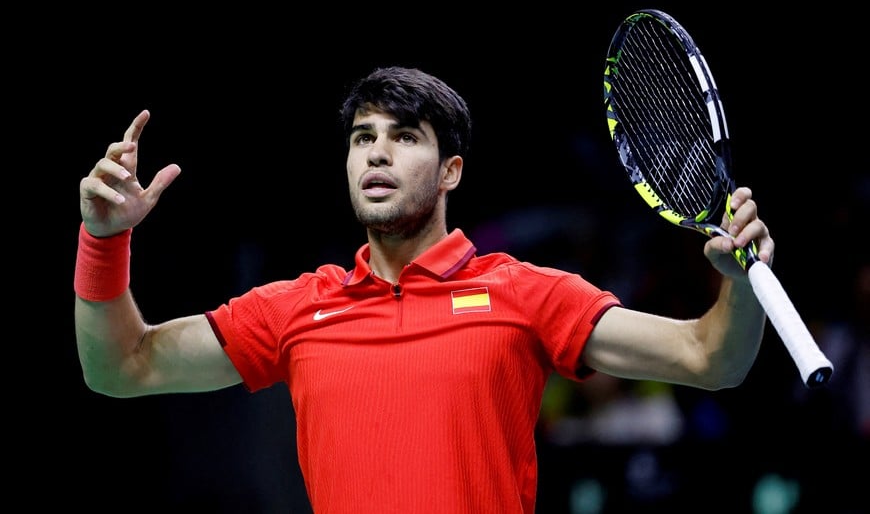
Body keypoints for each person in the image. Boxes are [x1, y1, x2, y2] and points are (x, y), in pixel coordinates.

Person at [74, 66, 772, 513]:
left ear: (451, 172)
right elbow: (121, 369)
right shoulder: (296, 309)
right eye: (361, 137)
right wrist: (104, 241)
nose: (376, 151)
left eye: (404, 136)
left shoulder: (524, 294)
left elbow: (710, 359)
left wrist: (740, 287)